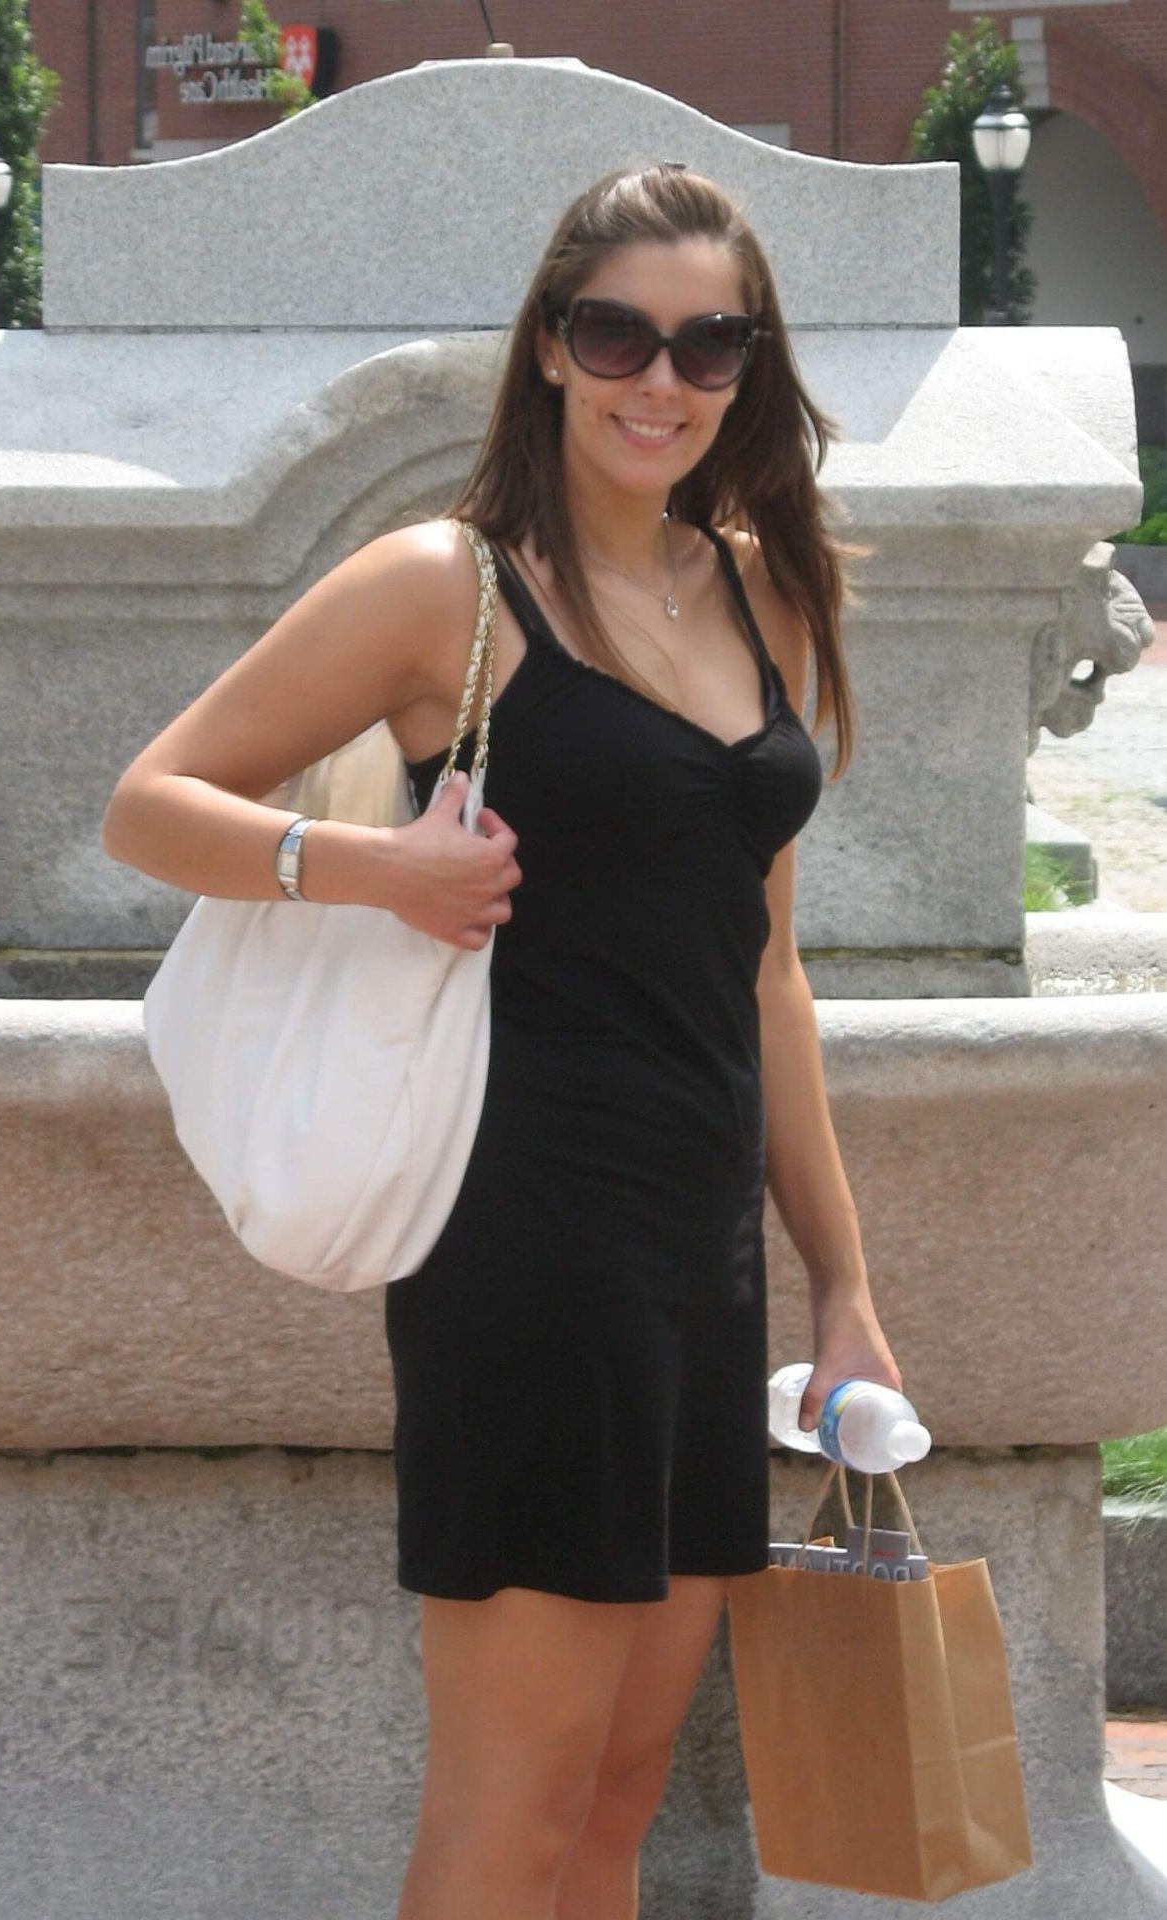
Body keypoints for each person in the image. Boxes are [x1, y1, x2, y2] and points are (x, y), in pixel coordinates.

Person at [101, 163, 904, 1920]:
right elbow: (150, 804)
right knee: (512, 1811)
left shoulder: (763, 594)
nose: (659, 380)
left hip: (700, 1258)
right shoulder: (443, 588)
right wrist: (372, 867)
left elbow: (768, 977)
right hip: (524, 1241)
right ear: (549, 344)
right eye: (617, 333)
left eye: (708, 345)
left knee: (617, 1800)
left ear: (747, 368)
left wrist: (842, 1287)